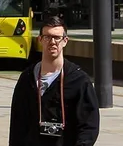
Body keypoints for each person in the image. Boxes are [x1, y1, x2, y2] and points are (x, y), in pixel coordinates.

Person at [8, 14, 99, 146]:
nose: (52, 42)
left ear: (65, 41)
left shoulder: (79, 81)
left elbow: (89, 125)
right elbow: (17, 123)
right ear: (40, 39)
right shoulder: (27, 78)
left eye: (57, 38)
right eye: (47, 37)